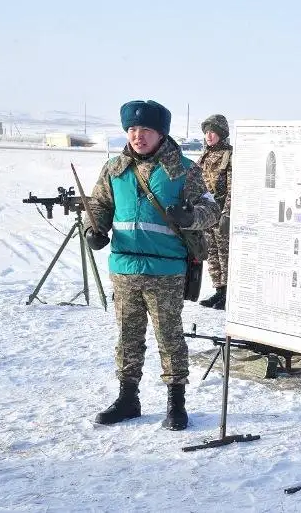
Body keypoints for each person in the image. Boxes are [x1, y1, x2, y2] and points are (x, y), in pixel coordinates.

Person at [84, 100, 219, 430]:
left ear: (161, 134)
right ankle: (128, 398)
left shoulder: (185, 170)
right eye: (131, 130)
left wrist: (191, 217)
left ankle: (176, 403)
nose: (137, 136)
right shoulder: (114, 169)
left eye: (145, 130)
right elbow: (99, 205)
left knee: (169, 337)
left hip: (166, 270)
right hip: (125, 268)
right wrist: (94, 230)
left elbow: (212, 211)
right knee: (128, 338)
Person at [196, 114, 233, 309]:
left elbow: (232, 187)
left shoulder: (230, 155)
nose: (208, 136)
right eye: (206, 133)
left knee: (225, 254)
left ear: (221, 133)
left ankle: (228, 293)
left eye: (212, 132)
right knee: (211, 253)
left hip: (222, 212)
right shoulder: (205, 155)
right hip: (206, 212)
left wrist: (227, 213)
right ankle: (218, 290)